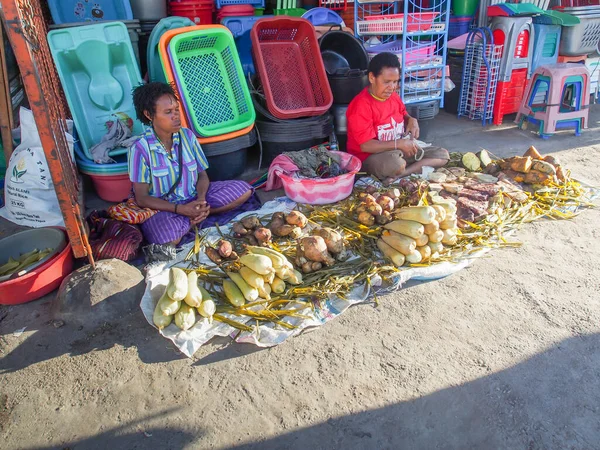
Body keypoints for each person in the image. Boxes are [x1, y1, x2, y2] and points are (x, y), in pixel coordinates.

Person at [129, 82, 257, 246]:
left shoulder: (188, 136)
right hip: (164, 208)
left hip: (194, 197)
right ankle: (191, 219)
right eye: (168, 112)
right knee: (166, 238)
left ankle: (197, 215)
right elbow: (142, 198)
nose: (176, 116)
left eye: (176, 110)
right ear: (149, 115)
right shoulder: (140, 149)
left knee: (244, 190)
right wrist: (180, 209)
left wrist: (202, 200)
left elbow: (202, 175)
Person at [346, 52, 450, 184]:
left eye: (395, 81)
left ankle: (402, 174)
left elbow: (403, 114)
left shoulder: (393, 97)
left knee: (442, 155)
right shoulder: (360, 106)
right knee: (396, 164)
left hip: (398, 149)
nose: (392, 87)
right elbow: (366, 146)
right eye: (387, 82)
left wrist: (411, 119)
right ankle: (402, 170)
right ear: (372, 77)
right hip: (370, 157)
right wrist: (398, 144)